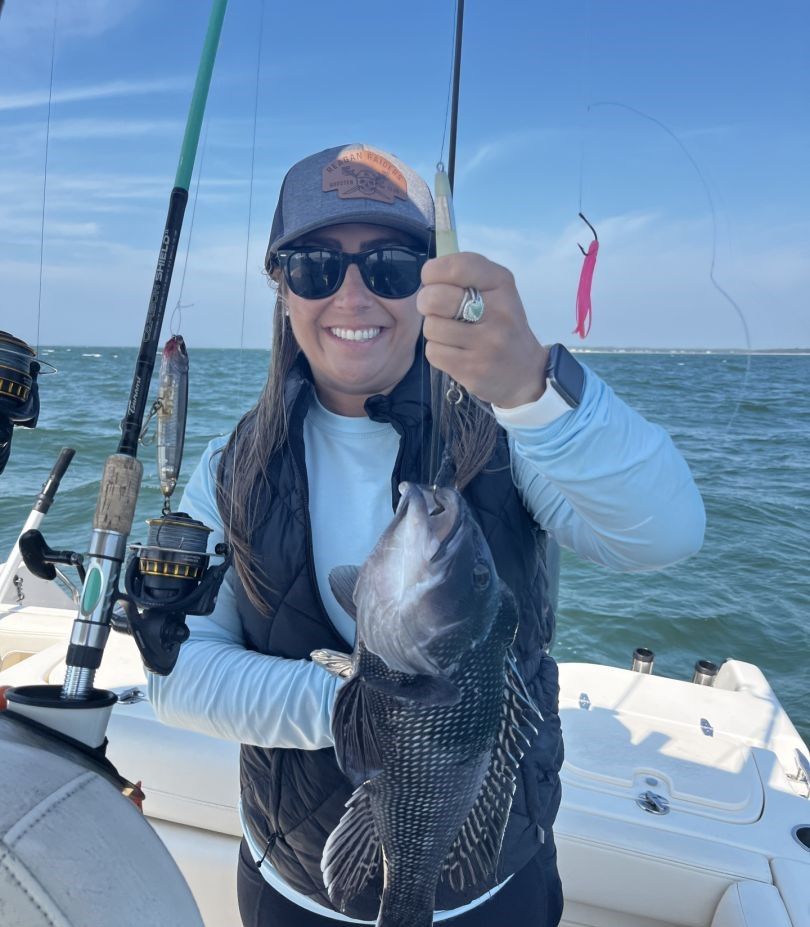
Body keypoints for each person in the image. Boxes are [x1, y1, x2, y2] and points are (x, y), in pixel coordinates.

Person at [148, 143, 705, 926]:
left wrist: (534, 388)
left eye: (389, 266)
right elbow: (178, 678)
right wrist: (372, 708)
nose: (351, 294)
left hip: (489, 891)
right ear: (281, 290)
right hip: (293, 886)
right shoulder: (231, 466)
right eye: (313, 265)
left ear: (432, 284)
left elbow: (668, 532)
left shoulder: (512, 436)